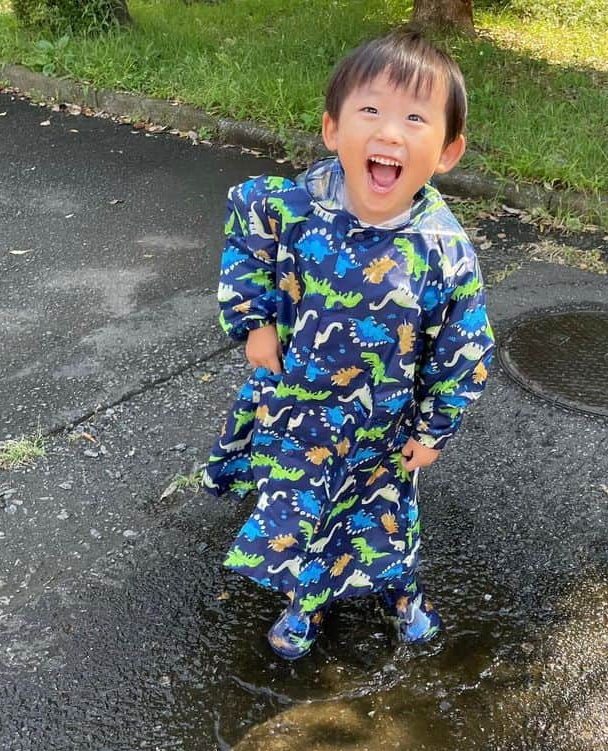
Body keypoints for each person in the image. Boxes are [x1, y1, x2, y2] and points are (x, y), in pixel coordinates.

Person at [202, 29, 494, 660]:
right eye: (371, 111)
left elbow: (464, 344)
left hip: (383, 424)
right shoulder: (295, 207)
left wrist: (436, 427)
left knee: (387, 520)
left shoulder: (442, 250)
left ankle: (401, 595)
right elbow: (245, 220)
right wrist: (255, 322)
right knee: (305, 518)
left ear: (447, 150)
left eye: (415, 118)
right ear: (333, 130)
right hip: (301, 410)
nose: (390, 133)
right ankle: (304, 606)